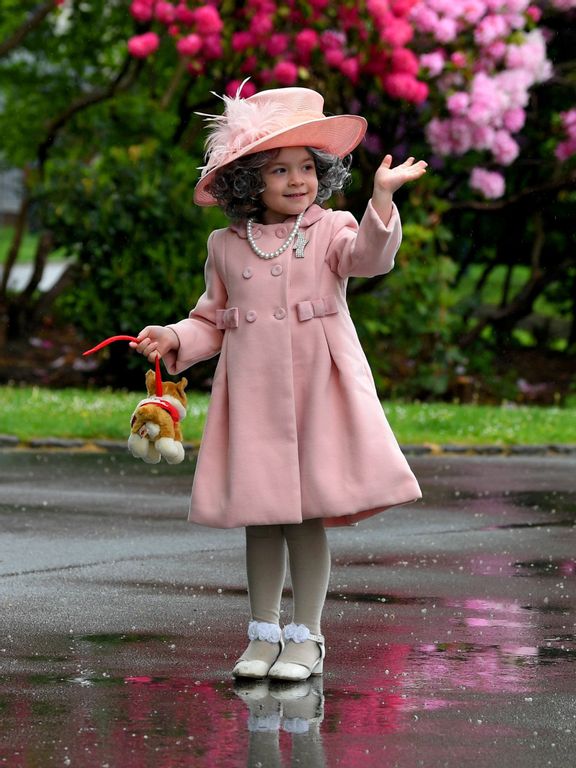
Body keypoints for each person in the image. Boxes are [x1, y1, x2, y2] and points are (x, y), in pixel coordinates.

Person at [131, 85, 426, 682]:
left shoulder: (332, 228)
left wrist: (383, 202)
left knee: (305, 515)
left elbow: (369, 257)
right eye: (279, 170)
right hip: (256, 395)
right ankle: (263, 633)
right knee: (263, 515)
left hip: (320, 389)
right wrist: (174, 337)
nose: (298, 181)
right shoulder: (225, 244)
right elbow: (213, 317)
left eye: (307, 168)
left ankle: (306, 637)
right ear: (246, 181)